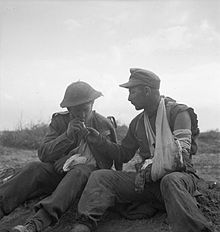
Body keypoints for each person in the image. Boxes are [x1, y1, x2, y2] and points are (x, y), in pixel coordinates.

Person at [70, 69, 213, 232]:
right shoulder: (137, 123)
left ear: (147, 90)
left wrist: (149, 170)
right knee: (100, 177)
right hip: (149, 184)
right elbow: (123, 154)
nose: (129, 97)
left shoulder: (178, 113)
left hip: (180, 179)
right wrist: (100, 141)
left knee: (170, 180)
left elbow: (181, 157)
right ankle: (84, 224)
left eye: (132, 91)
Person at [0, 81, 118, 232]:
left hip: (85, 180)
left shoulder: (103, 124)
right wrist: (66, 137)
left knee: (79, 171)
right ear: (68, 109)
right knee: (34, 167)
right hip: (58, 176)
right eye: (76, 111)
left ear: (93, 104)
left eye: (85, 109)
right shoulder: (60, 121)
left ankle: (35, 224)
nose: (81, 115)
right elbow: (43, 154)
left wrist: (71, 159)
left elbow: (110, 162)